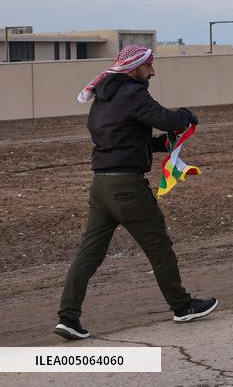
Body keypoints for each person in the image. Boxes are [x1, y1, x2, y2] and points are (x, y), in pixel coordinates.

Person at [55, 45, 216, 341]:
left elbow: (121, 137)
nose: (152, 72)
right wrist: (186, 115)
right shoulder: (132, 92)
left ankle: (68, 317)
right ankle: (182, 306)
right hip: (127, 188)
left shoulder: (105, 96)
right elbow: (168, 120)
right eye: (149, 66)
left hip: (101, 186)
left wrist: (158, 146)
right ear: (135, 66)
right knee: (159, 246)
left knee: (88, 253)